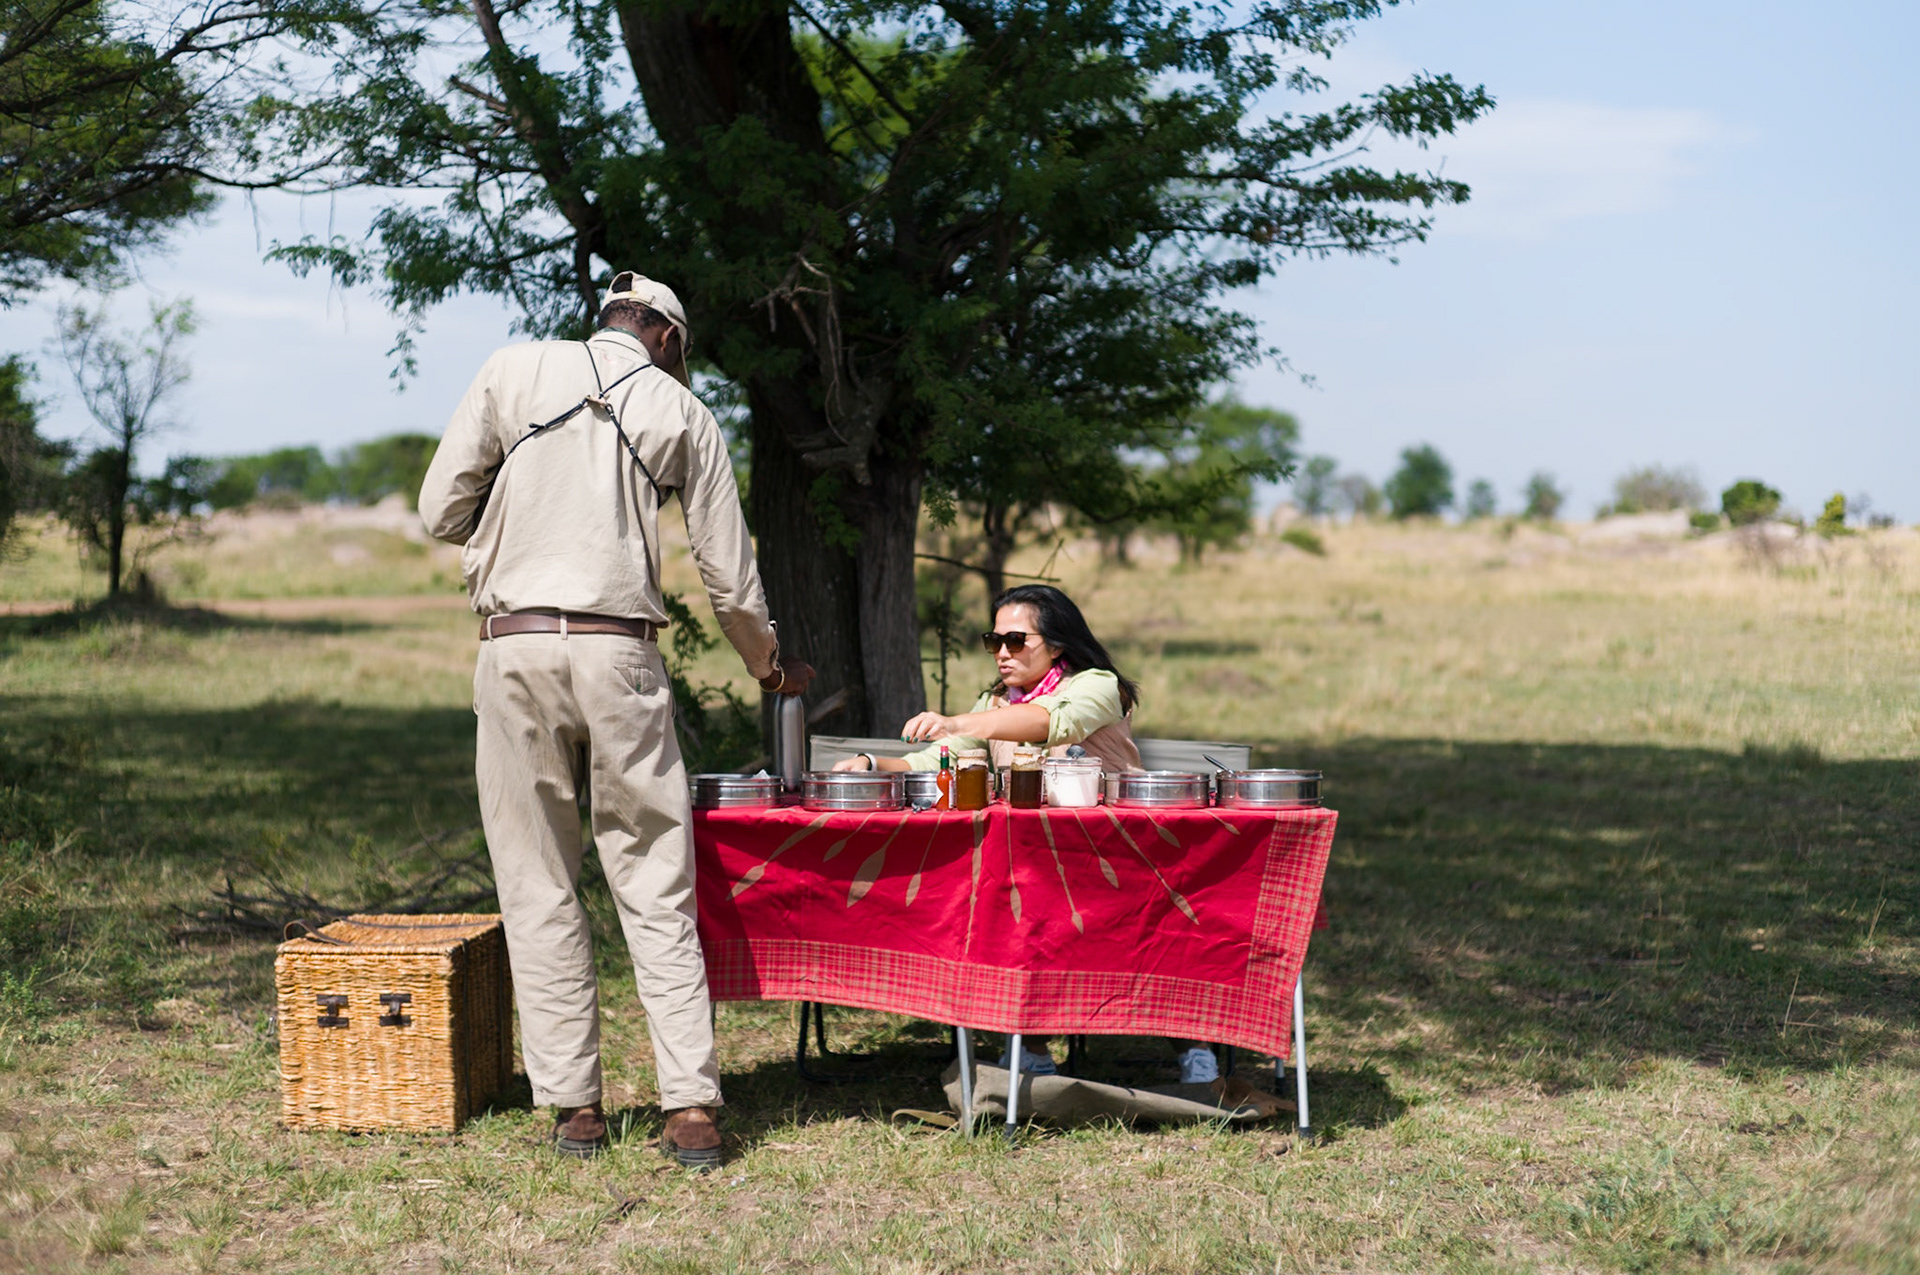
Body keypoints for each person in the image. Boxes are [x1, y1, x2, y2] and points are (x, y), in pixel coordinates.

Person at [418, 270, 812, 1171]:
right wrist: (768, 664)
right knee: (654, 876)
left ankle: (576, 1110)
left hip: (511, 647)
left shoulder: (509, 371)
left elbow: (439, 511)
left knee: (537, 878)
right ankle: (690, 1110)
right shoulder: (682, 412)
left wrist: (514, 527)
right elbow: (729, 574)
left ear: (612, 321)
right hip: (619, 652)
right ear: (667, 338)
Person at [835, 583, 1161, 1077]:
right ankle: (1028, 1045)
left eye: (1016, 640)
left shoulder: (1096, 684)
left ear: (1058, 645)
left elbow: (1054, 724)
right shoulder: (994, 703)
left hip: (1117, 854)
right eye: (994, 642)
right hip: (1039, 859)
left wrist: (961, 721)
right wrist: (871, 763)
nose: (1002, 653)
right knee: (996, 899)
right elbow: (937, 757)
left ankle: (1187, 1046)